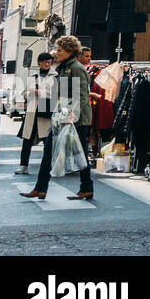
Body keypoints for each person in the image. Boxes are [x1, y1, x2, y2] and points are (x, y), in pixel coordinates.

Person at [21, 36, 94, 201]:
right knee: (48, 152)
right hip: (62, 115)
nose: (56, 52)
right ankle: (41, 188)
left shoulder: (76, 68)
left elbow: (81, 96)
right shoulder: (63, 67)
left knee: (79, 152)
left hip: (75, 120)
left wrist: (72, 118)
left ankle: (86, 188)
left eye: (60, 50)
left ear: (69, 51)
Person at [14, 53, 55, 175]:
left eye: (49, 62)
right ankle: (23, 165)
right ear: (39, 63)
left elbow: (55, 93)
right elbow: (25, 93)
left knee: (47, 142)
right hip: (32, 113)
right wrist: (29, 93)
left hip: (46, 113)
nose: (47, 64)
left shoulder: (55, 77)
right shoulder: (33, 77)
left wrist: (39, 92)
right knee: (27, 141)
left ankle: (51, 166)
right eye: (45, 62)